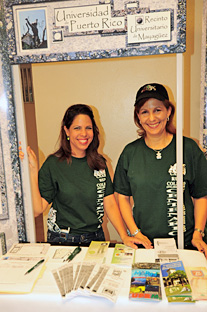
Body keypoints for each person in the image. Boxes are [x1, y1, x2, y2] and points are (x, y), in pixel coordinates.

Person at [20, 104, 152, 248]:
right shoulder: (54, 164)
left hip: (96, 237)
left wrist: (124, 236)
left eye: (88, 128)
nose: (84, 133)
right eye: (77, 128)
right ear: (67, 131)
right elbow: (37, 209)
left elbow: (110, 203)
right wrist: (32, 171)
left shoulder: (99, 163)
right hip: (63, 239)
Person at [113, 83, 207, 256]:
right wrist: (135, 233)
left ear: (168, 111)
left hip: (185, 243)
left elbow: (201, 195)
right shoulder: (130, 152)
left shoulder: (188, 148)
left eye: (157, 110)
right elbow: (123, 197)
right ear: (138, 117)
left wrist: (198, 233)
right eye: (144, 112)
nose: (152, 118)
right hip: (145, 244)